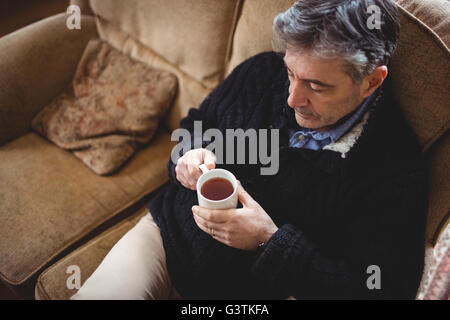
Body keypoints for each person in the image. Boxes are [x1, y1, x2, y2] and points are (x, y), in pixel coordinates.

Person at [72, 0, 428, 300]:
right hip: (164, 238)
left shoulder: (395, 169)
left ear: (371, 81)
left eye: (317, 86)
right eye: (291, 73)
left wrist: (268, 242)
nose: (292, 99)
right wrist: (187, 156)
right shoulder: (262, 72)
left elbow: (380, 289)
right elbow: (198, 123)